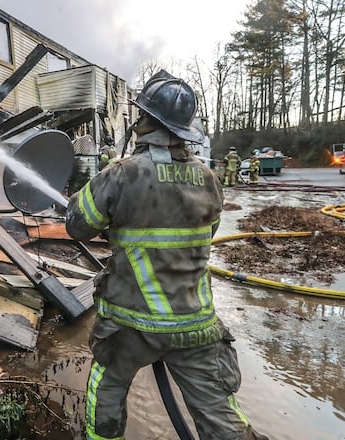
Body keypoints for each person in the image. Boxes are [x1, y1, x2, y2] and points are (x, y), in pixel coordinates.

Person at [66, 76, 268, 440]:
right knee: (219, 410)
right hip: (196, 323)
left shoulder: (122, 174)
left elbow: (77, 225)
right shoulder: (209, 178)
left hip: (131, 323)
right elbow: (204, 234)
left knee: (108, 385)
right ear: (183, 129)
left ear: (144, 120)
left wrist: (93, 194)